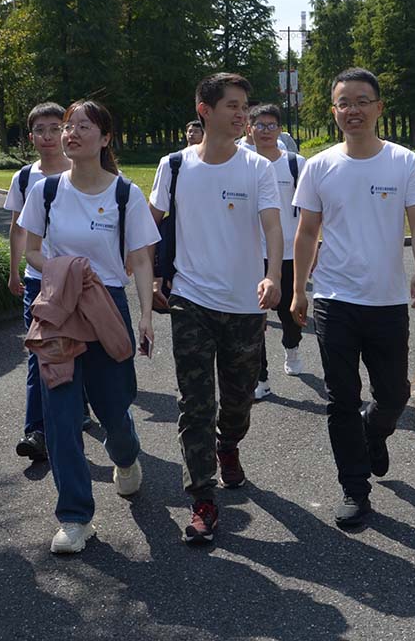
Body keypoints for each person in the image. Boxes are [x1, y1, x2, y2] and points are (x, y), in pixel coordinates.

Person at [291, 68, 415, 530]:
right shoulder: (319, 166)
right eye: (343, 103)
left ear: (378, 108)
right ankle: (354, 488)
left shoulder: (402, 162)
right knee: (341, 398)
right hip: (335, 299)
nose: (352, 110)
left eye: (361, 101)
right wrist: (298, 290)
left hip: (387, 300)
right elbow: (306, 232)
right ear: (333, 111)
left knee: (394, 394)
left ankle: (375, 431)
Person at [18, 100, 159, 555]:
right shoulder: (46, 191)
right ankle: (75, 517)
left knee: (114, 407)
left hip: (107, 306)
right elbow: (32, 250)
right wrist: (66, 270)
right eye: (68, 126)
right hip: (60, 309)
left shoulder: (124, 194)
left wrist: (145, 315)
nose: (71, 133)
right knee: (61, 417)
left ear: (105, 138)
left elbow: (140, 259)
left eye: (83, 126)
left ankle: (126, 456)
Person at [149, 73, 283, 545]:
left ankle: (229, 445)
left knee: (239, 398)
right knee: (195, 403)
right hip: (191, 300)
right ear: (204, 110)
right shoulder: (174, 166)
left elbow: (273, 227)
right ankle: (203, 498)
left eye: (244, 105)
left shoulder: (257, 168)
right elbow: (150, 225)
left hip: (245, 304)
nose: (242, 113)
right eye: (232, 105)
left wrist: (273, 276)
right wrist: (150, 277)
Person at [5, 102, 73, 463]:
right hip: (37, 280)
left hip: (78, 281)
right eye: (39, 130)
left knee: (83, 350)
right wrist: (14, 271)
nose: (47, 136)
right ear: (30, 136)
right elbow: (18, 228)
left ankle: (79, 404)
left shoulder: (82, 171)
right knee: (38, 355)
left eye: (54, 128)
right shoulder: (24, 177)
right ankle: (37, 431)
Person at [248, 103, 307, 401]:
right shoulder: (241, 163)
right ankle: (261, 377)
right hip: (251, 254)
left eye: (272, 125)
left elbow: (310, 210)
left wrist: (313, 247)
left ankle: (292, 347)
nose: (266, 131)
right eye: (260, 125)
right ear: (250, 129)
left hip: (289, 253)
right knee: (252, 319)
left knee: (289, 314)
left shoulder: (296, 163)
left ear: (280, 130)